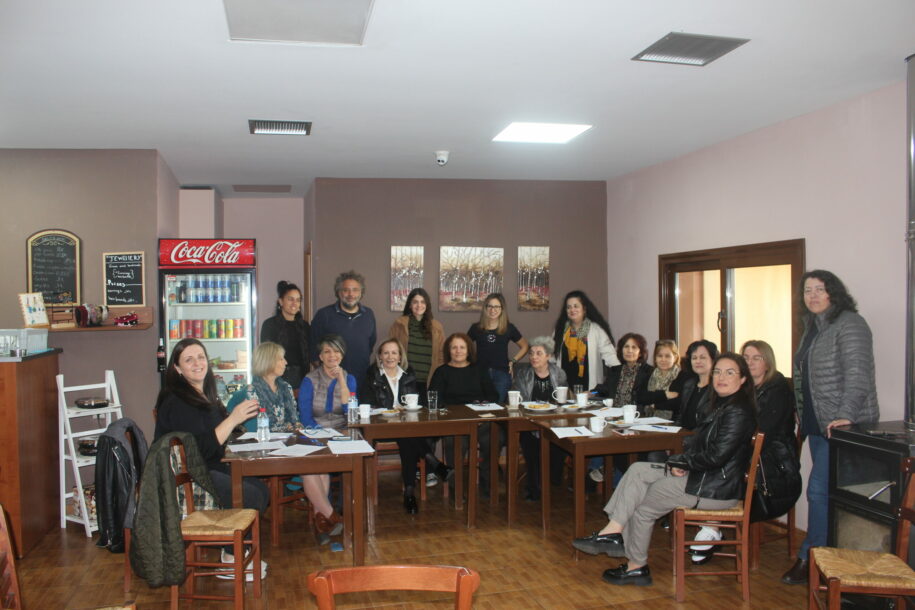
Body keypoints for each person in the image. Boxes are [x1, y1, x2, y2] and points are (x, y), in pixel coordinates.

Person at [571, 352, 757, 588]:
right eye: (718, 372)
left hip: (714, 488)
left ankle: (636, 567)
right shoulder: (721, 404)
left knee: (644, 504)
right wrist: (681, 462)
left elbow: (717, 457)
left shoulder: (737, 411)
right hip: (703, 476)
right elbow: (700, 446)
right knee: (638, 471)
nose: (721, 377)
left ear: (743, 379)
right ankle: (613, 531)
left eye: (730, 373)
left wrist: (681, 463)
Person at [781, 270, 879, 585]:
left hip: (843, 427)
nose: (812, 296)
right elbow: (804, 377)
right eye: (807, 290)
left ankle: (811, 559)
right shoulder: (812, 327)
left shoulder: (851, 324)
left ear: (834, 292)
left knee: (819, 492)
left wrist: (846, 415)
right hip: (818, 425)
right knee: (825, 494)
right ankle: (825, 561)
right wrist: (800, 411)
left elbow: (858, 375)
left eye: (819, 289)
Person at [153, 338, 269, 577]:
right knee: (251, 494)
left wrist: (236, 425)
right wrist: (233, 418)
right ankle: (230, 558)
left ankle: (234, 550)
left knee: (260, 488)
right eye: (189, 360)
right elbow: (198, 451)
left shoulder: (203, 394)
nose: (197, 363)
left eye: (201, 357)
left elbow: (217, 436)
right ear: (177, 368)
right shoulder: (177, 401)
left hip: (208, 466)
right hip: (188, 478)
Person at [358, 338, 454, 514]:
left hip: (405, 427)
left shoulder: (408, 374)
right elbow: (365, 403)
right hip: (381, 427)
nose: (390, 357)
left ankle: (409, 493)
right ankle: (433, 464)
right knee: (409, 436)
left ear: (400, 356)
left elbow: (417, 401)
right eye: (386, 353)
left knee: (407, 438)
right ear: (380, 356)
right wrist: (389, 410)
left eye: (394, 353)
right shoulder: (372, 375)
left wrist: (408, 408)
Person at [297, 334, 357, 543]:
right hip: (315, 433)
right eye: (327, 351)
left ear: (342, 355)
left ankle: (322, 522)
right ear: (320, 356)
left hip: (343, 434)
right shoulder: (309, 380)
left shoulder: (349, 378)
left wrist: (341, 381)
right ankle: (330, 516)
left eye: (336, 351)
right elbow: (305, 416)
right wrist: (322, 435)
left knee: (319, 466)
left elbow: (351, 413)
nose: (332, 356)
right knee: (316, 466)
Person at [429, 333, 500, 496]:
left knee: (495, 437)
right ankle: (456, 488)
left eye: (462, 347)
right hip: (454, 422)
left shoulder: (479, 370)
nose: (458, 351)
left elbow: (493, 396)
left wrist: (481, 408)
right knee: (455, 442)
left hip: (480, 421)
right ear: (448, 351)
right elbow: (433, 399)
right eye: (454, 347)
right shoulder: (441, 372)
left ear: (469, 350)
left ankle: (487, 483)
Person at [512, 336, 567, 501]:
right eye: (531, 353)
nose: (533, 357)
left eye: (538, 353)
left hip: (554, 422)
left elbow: (564, 400)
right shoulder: (523, 374)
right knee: (532, 448)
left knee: (560, 446)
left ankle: (552, 480)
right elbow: (520, 401)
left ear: (548, 356)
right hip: (530, 422)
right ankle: (533, 489)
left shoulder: (559, 373)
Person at [310, 270, 377, 380]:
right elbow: (313, 349)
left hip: (362, 379)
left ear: (361, 292)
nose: (351, 294)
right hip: (332, 379)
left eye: (355, 290)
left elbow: (370, 344)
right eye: (346, 290)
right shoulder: (324, 315)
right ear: (338, 292)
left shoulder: (368, 314)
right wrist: (327, 375)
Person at [552, 290, 620, 393]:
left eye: (576, 306)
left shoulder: (596, 330)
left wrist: (619, 373)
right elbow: (552, 358)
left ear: (584, 309)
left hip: (590, 391)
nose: (572, 309)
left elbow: (610, 355)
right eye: (568, 307)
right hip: (565, 390)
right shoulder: (559, 331)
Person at [467, 293, 529, 402]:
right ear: (485, 308)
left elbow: (525, 346)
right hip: (480, 373)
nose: (493, 310)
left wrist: (513, 361)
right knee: (480, 407)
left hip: (502, 375)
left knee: (498, 407)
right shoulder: (476, 328)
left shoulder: (509, 328)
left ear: (502, 309)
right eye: (490, 306)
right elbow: (465, 347)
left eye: (496, 307)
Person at [227, 341, 299, 432]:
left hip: (287, 438)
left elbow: (295, 419)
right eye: (281, 359)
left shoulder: (286, 388)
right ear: (268, 362)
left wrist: (297, 426)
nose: (286, 362)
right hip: (261, 438)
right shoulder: (250, 392)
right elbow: (253, 429)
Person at [388, 287, 445, 397]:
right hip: (405, 380)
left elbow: (442, 355)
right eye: (415, 302)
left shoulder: (437, 327)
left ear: (427, 305)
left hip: (429, 381)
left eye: (423, 302)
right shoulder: (399, 324)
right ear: (410, 305)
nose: (419, 305)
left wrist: (436, 376)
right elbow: (391, 350)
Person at [260, 281, 310, 389]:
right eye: (290, 299)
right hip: (276, 377)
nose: (294, 303)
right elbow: (266, 356)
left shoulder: (305, 326)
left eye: (298, 300)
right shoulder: (269, 325)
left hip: (301, 379)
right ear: (281, 301)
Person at [594, 332, 653, 409]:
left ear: (640, 353)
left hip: (636, 414)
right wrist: (592, 393)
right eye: (626, 347)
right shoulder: (615, 370)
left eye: (634, 347)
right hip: (613, 413)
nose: (629, 350)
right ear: (621, 350)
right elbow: (603, 390)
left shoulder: (649, 372)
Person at [676, 340, 719, 431]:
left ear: (713, 360)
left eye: (702, 357)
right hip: (683, 435)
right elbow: (681, 416)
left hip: (702, 437)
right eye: (694, 358)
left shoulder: (718, 387)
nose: (698, 361)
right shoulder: (688, 384)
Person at [638, 339, 683, 420]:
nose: (663, 359)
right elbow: (641, 398)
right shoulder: (649, 375)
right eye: (659, 356)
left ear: (675, 357)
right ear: (655, 358)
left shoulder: (682, 376)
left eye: (667, 356)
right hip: (648, 421)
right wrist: (665, 394)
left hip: (674, 423)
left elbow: (678, 403)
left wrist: (656, 405)